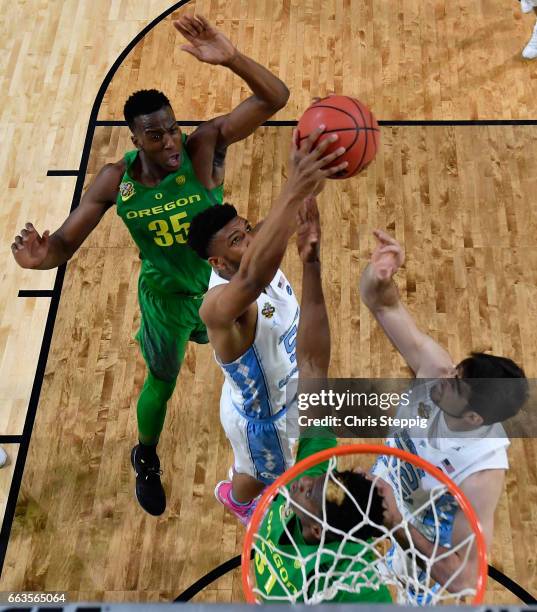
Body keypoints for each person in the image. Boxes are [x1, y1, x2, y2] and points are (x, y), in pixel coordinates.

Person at [10, 14, 291, 516]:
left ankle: (254, 442)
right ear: (135, 140)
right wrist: (40, 259)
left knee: (250, 366)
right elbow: (63, 245)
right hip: (166, 300)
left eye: (171, 130)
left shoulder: (202, 148)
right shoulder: (116, 182)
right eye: (155, 137)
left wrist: (233, 59)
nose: (168, 144)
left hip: (216, 287)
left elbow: (275, 99)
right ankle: (146, 454)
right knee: (162, 382)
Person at [187, 127, 348, 524]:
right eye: (237, 240)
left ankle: (240, 490)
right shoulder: (219, 308)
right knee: (258, 477)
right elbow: (252, 279)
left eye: (247, 230)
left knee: (262, 470)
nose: (251, 240)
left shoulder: (257, 254)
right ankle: (238, 499)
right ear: (218, 263)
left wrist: (319, 156)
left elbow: (298, 207)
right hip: (265, 419)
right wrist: (293, 184)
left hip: (286, 389)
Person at [359, 229, 528, 598]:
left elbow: (467, 579)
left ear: (474, 419)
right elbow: (382, 304)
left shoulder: (482, 473)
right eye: (456, 372)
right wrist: (380, 274)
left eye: (456, 385)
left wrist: (399, 524)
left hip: (423, 537)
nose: (444, 378)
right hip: (381, 488)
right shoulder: (437, 372)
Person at [252, 196, 392, 603]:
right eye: (326, 477)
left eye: (311, 488)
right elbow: (312, 365)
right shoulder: (310, 483)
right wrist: (311, 265)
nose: (306, 479)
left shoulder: (358, 587)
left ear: (317, 531)